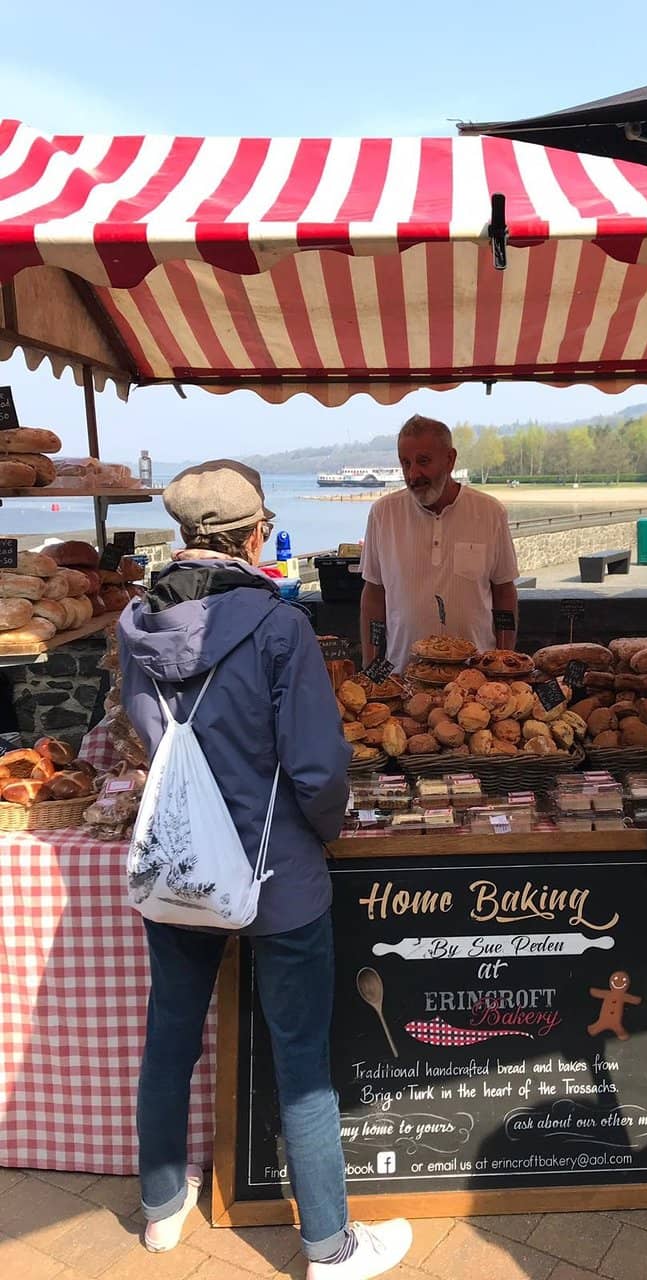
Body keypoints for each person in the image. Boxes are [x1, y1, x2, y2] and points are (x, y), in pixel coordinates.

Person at [117, 460, 412, 1279]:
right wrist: (325, 831)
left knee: (169, 1035)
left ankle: (162, 1209)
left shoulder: (134, 623)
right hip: (276, 869)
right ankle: (328, 1244)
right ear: (254, 536)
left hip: (179, 859)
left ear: (184, 537)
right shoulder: (279, 628)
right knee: (301, 1057)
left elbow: (151, 737)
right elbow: (317, 768)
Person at [360, 415, 519, 668]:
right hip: (402, 676)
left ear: (450, 459)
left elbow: (504, 592)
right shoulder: (383, 513)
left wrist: (503, 663)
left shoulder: (490, 512)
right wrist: (370, 669)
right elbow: (374, 596)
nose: (413, 474)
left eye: (423, 461)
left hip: (475, 678)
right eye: (405, 463)